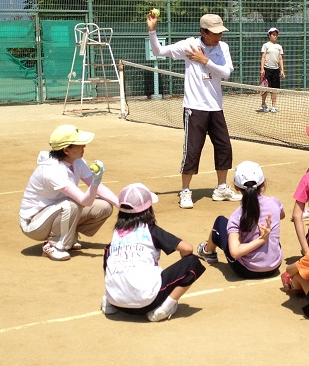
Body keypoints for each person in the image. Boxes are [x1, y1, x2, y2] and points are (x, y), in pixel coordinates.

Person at [147, 11, 241, 209]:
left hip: (216, 107)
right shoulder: (188, 45)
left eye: (221, 32)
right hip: (194, 108)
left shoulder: (223, 47)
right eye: (215, 33)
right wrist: (152, 31)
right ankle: (185, 191)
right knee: (192, 150)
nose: (219, 36)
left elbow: (226, 74)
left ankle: (221, 188)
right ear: (203, 32)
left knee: (224, 147)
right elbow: (158, 52)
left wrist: (205, 60)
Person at [101, 183, 206, 322]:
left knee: (109, 251)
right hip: (147, 302)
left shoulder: (117, 233)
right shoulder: (150, 229)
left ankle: (109, 300)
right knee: (193, 262)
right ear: (148, 209)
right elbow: (187, 248)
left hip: (115, 300)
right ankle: (164, 308)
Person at [19, 125, 119, 261]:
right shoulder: (52, 170)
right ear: (66, 150)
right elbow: (85, 201)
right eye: (79, 144)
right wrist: (96, 181)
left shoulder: (77, 162)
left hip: (56, 212)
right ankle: (53, 245)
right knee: (71, 204)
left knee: (104, 206)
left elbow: (98, 189)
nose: (84, 146)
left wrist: (122, 205)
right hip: (34, 225)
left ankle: (69, 235)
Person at [197, 161, 284, 279]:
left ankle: (208, 251)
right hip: (274, 267)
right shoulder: (275, 202)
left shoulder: (237, 216)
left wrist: (261, 239)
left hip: (247, 270)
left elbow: (235, 252)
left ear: (236, 187)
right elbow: (281, 215)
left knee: (220, 222)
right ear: (263, 184)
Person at [259, 27, 285, 113]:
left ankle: (274, 106)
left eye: (276, 35)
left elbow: (280, 59)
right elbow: (263, 57)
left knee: (274, 90)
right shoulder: (265, 45)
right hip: (267, 70)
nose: (275, 36)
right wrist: (262, 69)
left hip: (276, 70)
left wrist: (282, 70)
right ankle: (263, 104)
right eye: (273, 35)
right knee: (265, 89)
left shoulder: (279, 47)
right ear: (269, 35)